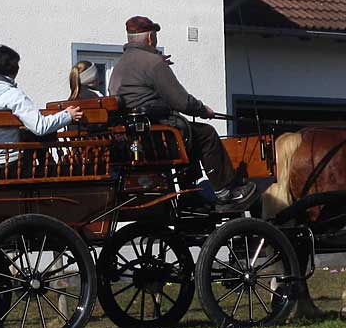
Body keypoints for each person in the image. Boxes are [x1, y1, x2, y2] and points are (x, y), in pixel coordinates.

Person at [108, 16, 256, 205]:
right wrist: (203, 110)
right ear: (150, 38)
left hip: (135, 136)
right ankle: (226, 190)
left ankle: (189, 192)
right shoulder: (153, 63)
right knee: (206, 134)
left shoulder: (120, 65)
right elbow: (182, 102)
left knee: (189, 134)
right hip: (155, 136)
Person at [0, 44, 83, 165]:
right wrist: (68, 115)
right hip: (6, 162)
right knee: (37, 141)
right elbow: (40, 127)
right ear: (13, 69)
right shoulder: (12, 95)